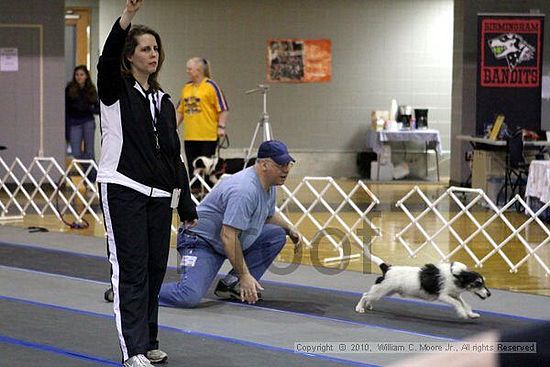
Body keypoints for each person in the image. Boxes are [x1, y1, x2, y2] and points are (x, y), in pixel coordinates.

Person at [96, 1, 197, 366]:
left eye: (155, 49)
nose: (152, 54)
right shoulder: (113, 89)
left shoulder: (164, 101)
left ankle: (150, 341)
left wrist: (186, 204)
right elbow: (105, 60)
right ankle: (133, 350)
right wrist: (126, 19)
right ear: (130, 56)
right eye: (144, 48)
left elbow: (174, 157)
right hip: (122, 188)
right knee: (132, 272)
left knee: (155, 272)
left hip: (159, 198)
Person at [159, 140, 302, 308]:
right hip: (201, 242)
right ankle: (137, 292)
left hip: (226, 239)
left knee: (276, 235)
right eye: (281, 165)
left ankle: (231, 286)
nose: (286, 170)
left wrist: (290, 228)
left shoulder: (269, 184)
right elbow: (228, 237)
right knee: (187, 296)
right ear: (264, 165)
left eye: (288, 164)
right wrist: (244, 275)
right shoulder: (245, 190)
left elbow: (269, 215)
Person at [176, 57, 229, 179]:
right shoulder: (186, 87)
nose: (187, 72)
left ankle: (206, 194)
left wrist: (221, 127)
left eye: (189, 69)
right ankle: (194, 195)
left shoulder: (211, 86)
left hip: (208, 136)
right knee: (192, 167)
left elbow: (223, 109)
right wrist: (173, 127)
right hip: (190, 136)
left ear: (198, 70)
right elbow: (180, 111)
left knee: (205, 168)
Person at [65, 65, 99, 161]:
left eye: (81, 75)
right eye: (77, 75)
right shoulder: (69, 89)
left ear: (86, 76)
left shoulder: (91, 89)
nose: (79, 77)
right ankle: (89, 172)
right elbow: (66, 109)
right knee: (75, 152)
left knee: (89, 152)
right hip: (74, 122)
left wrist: (89, 108)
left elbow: (97, 108)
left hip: (88, 121)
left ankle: (92, 175)